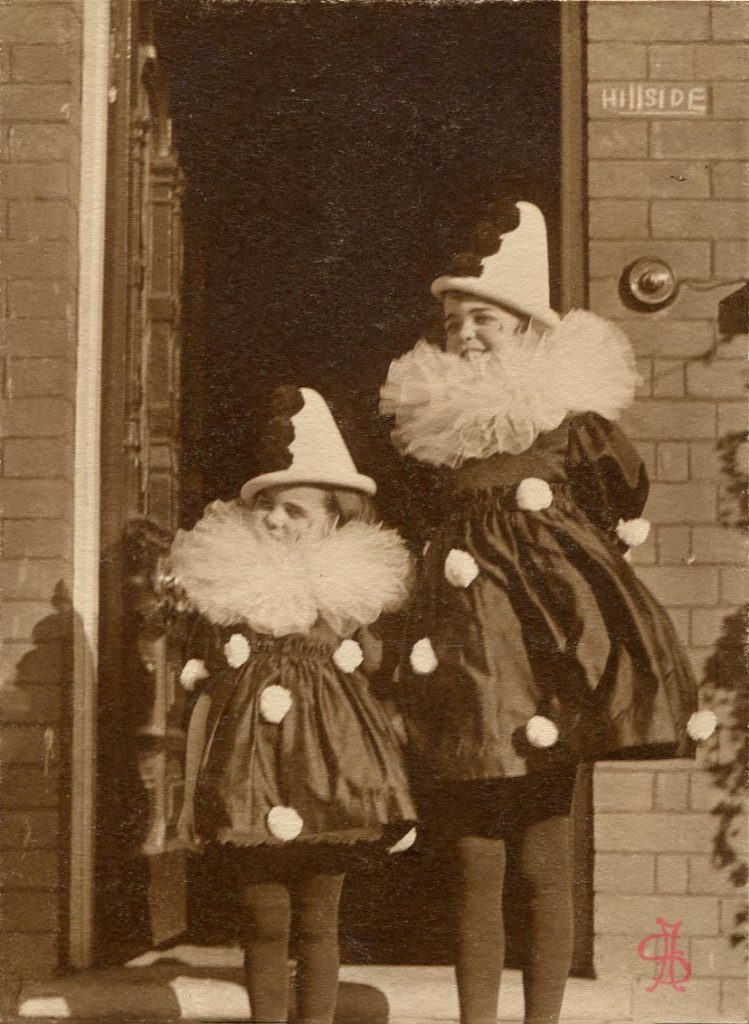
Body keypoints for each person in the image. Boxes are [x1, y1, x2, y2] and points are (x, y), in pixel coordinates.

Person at [380, 201, 711, 1024]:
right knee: (473, 854)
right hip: (465, 656)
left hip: (543, 656)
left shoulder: (566, 420)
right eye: (455, 321)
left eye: (483, 318)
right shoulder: (437, 426)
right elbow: (419, 520)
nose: (466, 335)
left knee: (541, 850)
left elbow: (620, 496)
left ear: (525, 326)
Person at [173, 385, 416, 1024]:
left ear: (334, 519)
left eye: (296, 510)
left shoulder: (347, 590)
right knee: (262, 915)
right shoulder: (233, 586)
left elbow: (374, 673)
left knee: (317, 918)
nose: (277, 521)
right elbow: (207, 679)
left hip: (327, 774)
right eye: (268, 508)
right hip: (252, 773)